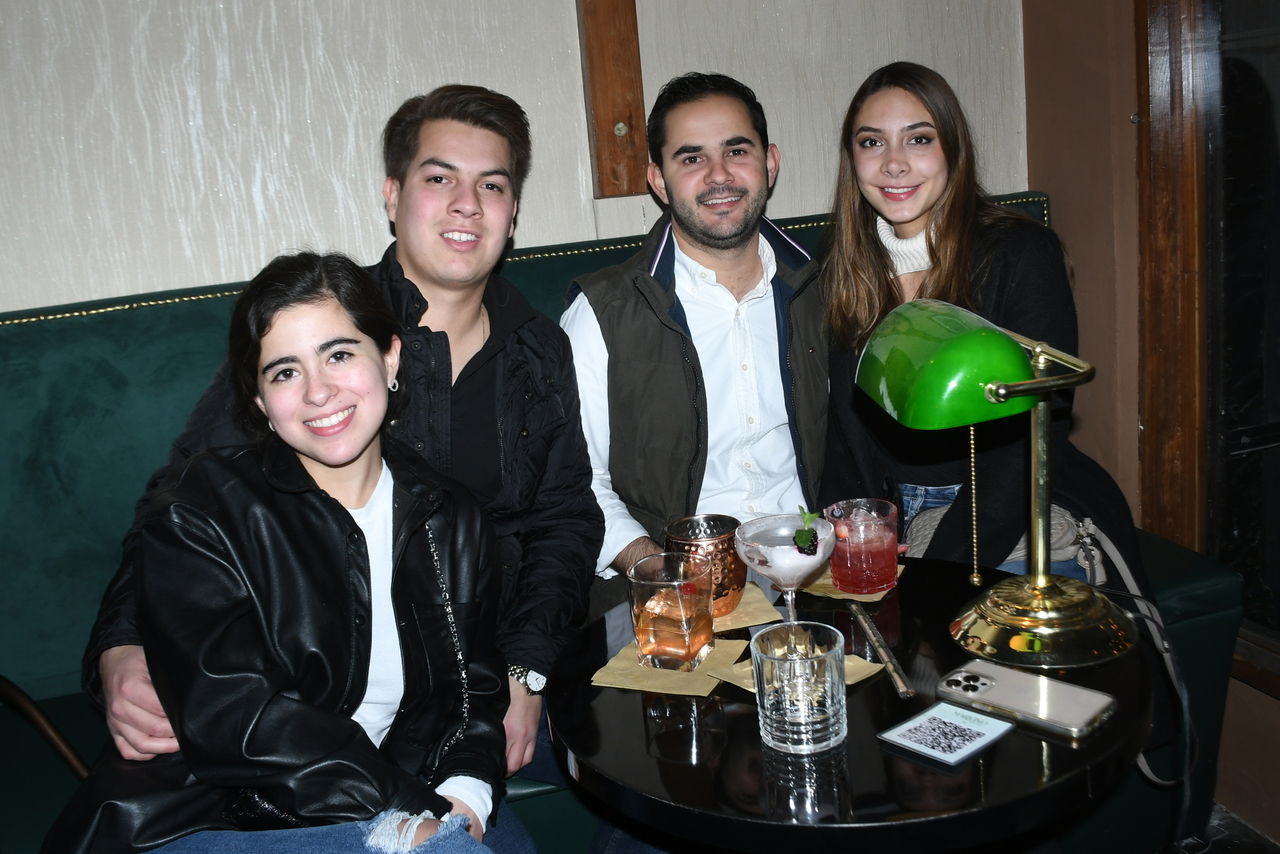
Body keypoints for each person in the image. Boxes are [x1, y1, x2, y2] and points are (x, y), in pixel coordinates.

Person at [83, 85, 602, 794]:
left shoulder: (540, 348)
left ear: (512, 212)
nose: (466, 204)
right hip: (311, 689)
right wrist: (122, 645)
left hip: (480, 679)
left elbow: (565, 516)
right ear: (393, 195)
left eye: (492, 185)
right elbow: (181, 505)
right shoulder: (320, 327)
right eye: (439, 178)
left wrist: (524, 670)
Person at [45, 253, 506, 854]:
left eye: (339, 355)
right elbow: (239, 720)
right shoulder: (200, 508)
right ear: (260, 401)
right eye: (285, 372)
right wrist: (414, 810)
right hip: (208, 816)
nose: (318, 392)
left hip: (376, 790)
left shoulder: (453, 516)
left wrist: (468, 795)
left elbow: (474, 693)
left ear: (390, 357)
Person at [818, 61, 1146, 580]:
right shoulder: (842, 263)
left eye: (919, 139)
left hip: (1010, 510)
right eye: (872, 142)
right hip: (893, 513)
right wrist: (851, 529)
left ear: (953, 148)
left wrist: (938, 571)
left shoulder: (1020, 252)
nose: (894, 164)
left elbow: (1030, 436)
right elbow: (842, 426)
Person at [561, 72, 827, 616]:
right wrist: (658, 571)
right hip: (668, 591)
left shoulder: (823, 292)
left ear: (770, 163)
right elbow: (576, 480)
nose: (719, 175)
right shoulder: (603, 313)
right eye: (691, 158)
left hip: (813, 571)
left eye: (737, 151)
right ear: (659, 181)